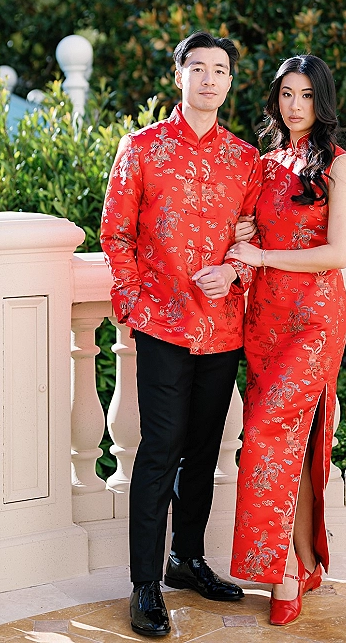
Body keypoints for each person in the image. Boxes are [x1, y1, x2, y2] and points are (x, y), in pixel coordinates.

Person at [100, 31, 262, 638]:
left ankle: (186, 561)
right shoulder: (141, 148)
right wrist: (140, 302)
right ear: (179, 75)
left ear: (229, 81)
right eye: (200, 68)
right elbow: (115, 234)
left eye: (221, 70)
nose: (211, 79)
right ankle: (144, 583)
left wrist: (235, 270)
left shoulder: (244, 160)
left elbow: (250, 236)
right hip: (163, 327)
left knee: (203, 449)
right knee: (158, 449)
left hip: (223, 327)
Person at [226, 54, 346, 626]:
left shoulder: (339, 165)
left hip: (314, 320)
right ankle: (304, 559)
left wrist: (262, 254)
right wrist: (243, 233)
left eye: (306, 95)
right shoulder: (265, 162)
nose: (295, 105)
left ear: (321, 101)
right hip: (265, 320)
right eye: (286, 93)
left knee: (264, 431)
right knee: (294, 446)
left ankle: (279, 570)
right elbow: (253, 225)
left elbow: (338, 254)